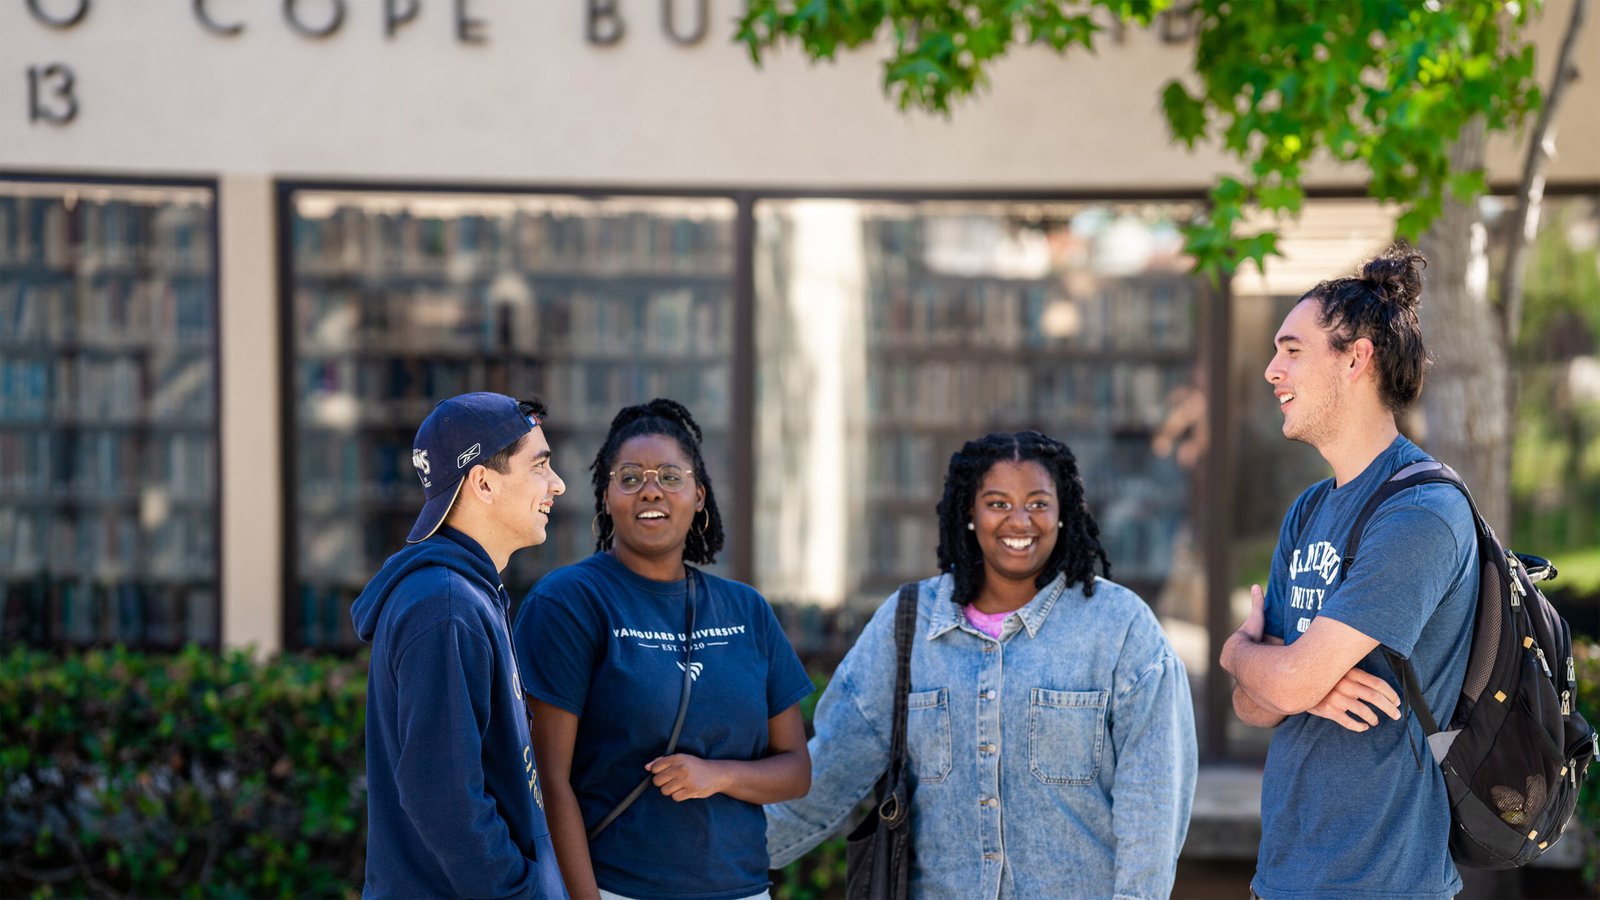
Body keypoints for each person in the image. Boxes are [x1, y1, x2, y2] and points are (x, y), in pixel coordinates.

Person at [767, 430, 1197, 899]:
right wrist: (708, 862)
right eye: (998, 503)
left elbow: (1153, 804)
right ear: (970, 513)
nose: (1020, 521)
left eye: (1037, 503)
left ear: (1063, 514)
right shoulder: (906, 627)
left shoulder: (1120, 627)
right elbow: (826, 769)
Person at [1222, 247, 1479, 899]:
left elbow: (1287, 681)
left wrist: (1239, 650)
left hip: (1382, 883)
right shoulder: (1309, 510)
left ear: (1356, 358)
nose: (1270, 369)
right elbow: (1252, 704)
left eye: (1293, 350)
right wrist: (1282, 679)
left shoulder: (1422, 511)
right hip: (1283, 877)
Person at [513, 398, 813, 900]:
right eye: (629, 478)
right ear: (606, 497)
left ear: (699, 494)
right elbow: (546, 780)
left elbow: (796, 770)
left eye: (670, 477)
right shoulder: (568, 601)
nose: (650, 489)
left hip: (743, 890)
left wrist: (716, 775)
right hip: (618, 889)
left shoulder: (746, 610)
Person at [351, 391, 569, 898]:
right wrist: (520, 891)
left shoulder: (463, 595)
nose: (556, 484)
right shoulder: (445, 607)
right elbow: (443, 797)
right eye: (540, 466)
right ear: (484, 482)